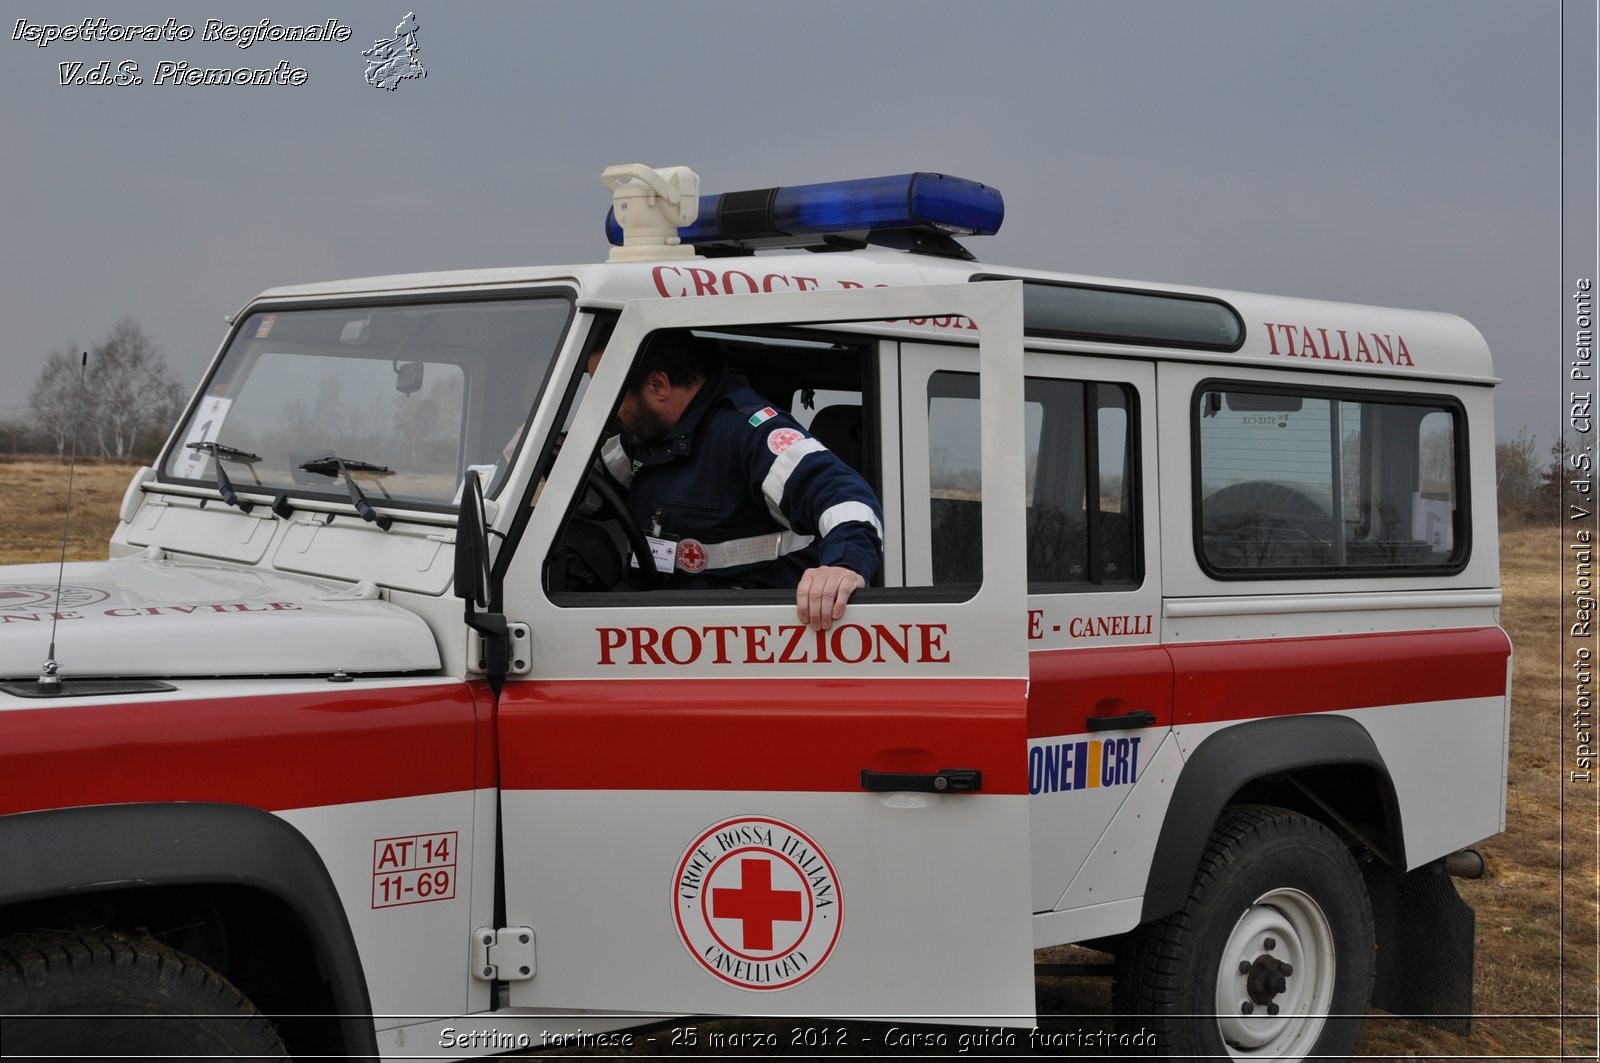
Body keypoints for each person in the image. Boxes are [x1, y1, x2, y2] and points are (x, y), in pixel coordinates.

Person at [588, 335, 882, 631]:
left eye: (611, 393)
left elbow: (844, 497)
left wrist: (843, 566)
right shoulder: (648, 435)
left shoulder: (749, 433)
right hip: (660, 620)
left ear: (658, 386)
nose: (608, 409)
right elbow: (594, 486)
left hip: (743, 636)